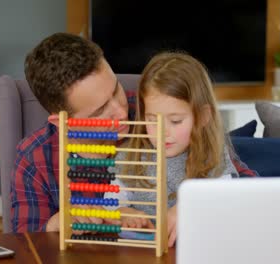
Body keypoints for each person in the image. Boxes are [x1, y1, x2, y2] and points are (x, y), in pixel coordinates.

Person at [10, 33, 257, 233]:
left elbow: (247, 183)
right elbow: (25, 244)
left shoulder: (155, 109)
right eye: (100, 110)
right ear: (62, 122)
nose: (121, 111)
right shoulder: (34, 159)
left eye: (115, 89)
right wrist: (55, 225)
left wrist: (199, 204)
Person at [104, 51, 243, 247]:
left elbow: (229, 198)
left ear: (203, 117)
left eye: (176, 121)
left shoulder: (213, 155)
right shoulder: (129, 157)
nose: (163, 132)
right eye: (152, 120)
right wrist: (123, 212)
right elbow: (110, 202)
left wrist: (188, 207)